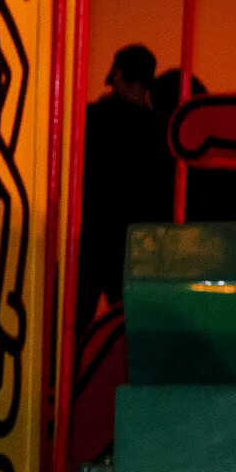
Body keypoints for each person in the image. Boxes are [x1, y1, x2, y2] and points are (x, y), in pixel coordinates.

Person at [75, 39, 173, 334]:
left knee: (71, 330)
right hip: (136, 245)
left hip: (89, 239)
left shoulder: (88, 120)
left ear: (117, 76)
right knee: (133, 332)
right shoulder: (161, 130)